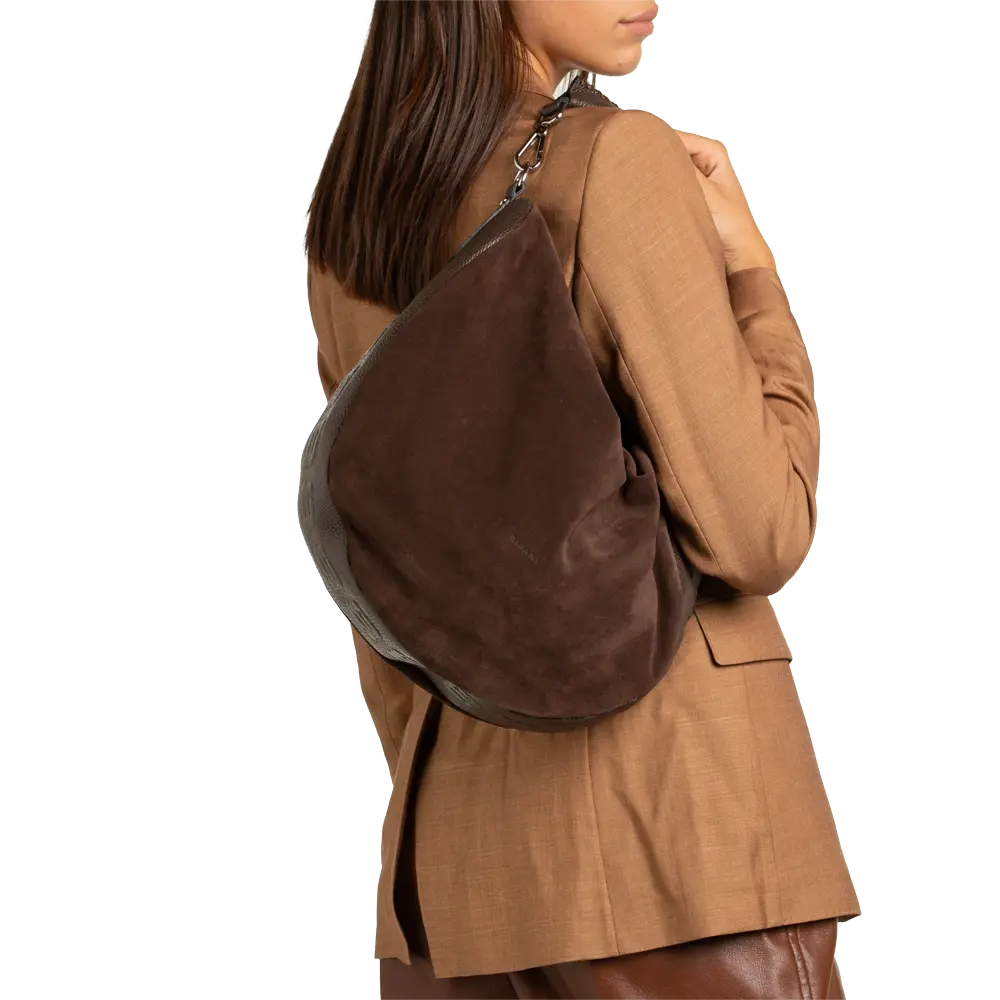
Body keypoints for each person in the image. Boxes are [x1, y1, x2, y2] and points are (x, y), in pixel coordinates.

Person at [304, 2, 860, 997]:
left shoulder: (358, 210)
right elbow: (759, 531)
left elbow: (390, 579)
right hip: (676, 847)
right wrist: (749, 267)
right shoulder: (616, 160)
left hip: (454, 870)